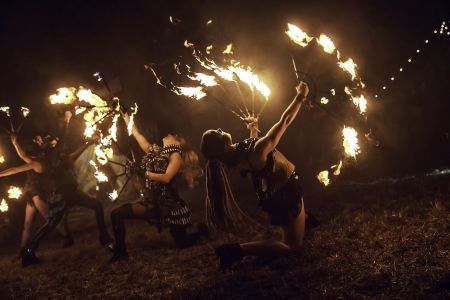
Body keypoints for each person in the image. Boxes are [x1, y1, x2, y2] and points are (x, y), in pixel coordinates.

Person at [200, 81, 309, 272]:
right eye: (216, 133)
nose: (218, 129)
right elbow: (284, 122)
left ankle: (306, 220)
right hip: (284, 193)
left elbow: (249, 147)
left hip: (279, 191)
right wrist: (300, 97)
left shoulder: (239, 153)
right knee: (293, 246)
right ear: (223, 146)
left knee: (297, 226)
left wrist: (253, 129)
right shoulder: (255, 152)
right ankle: (235, 251)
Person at [109, 113, 206, 261]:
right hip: (151, 202)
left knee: (182, 243)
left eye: (174, 136)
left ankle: (201, 231)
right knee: (116, 214)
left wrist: (145, 173)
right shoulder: (156, 152)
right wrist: (128, 120)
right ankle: (120, 252)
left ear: (176, 144)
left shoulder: (176, 157)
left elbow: (166, 178)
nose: (168, 135)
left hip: (169, 207)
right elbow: (139, 137)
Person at [7, 135, 112, 267]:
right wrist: (66, 124)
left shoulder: (62, 158)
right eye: (52, 143)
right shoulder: (50, 161)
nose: (56, 145)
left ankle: (103, 236)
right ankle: (29, 250)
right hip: (64, 194)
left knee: (55, 221)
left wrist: (88, 142)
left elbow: (75, 152)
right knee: (51, 223)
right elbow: (17, 166)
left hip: (71, 192)